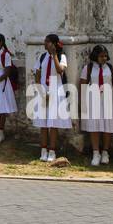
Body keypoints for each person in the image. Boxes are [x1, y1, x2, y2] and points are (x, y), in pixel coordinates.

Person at [31, 33, 71, 162]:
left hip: (56, 91)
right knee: (43, 123)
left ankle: (52, 150)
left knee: (53, 123)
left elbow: (60, 71)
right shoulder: (42, 57)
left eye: (47, 41)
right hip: (43, 91)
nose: (44, 43)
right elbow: (37, 74)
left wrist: (54, 55)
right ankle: (43, 149)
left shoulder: (61, 56)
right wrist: (40, 91)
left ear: (53, 44)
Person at [79, 44, 113, 166]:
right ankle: (96, 152)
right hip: (93, 99)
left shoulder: (110, 68)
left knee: (107, 125)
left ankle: (105, 152)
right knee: (94, 125)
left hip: (107, 98)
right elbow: (83, 84)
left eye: (106, 56)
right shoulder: (88, 68)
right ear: (95, 56)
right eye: (101, 56)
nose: (104, 58)